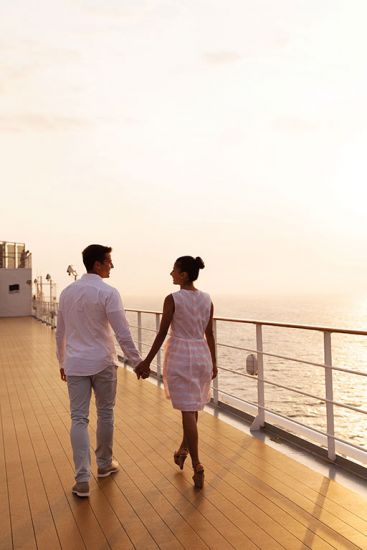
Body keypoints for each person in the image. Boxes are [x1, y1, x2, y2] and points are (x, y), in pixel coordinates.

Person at [56, 244, 143, 497]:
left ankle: (82, 479)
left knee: (78, 419)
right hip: (103, 362)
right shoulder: (109, 293)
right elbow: (122, 332)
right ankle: (104, 465)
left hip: (75, 363)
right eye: (109, 261)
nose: (112, 266)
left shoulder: (66, 293)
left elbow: (60, 332)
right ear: (97, 264)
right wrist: (137, 363)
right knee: (105, 413)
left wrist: (62, 361)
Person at [135, 256, 217, 489]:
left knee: (188, 410)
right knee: (192, 408)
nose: (171, 273)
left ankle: (198, 464)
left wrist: (146, 362)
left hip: (181, 354)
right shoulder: (207, 300)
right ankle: (182, 449)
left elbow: (162, 333)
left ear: (184, 275)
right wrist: (213, 362)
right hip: (201, 355)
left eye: (174, 270)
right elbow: (209, 333)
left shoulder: (172, 299)